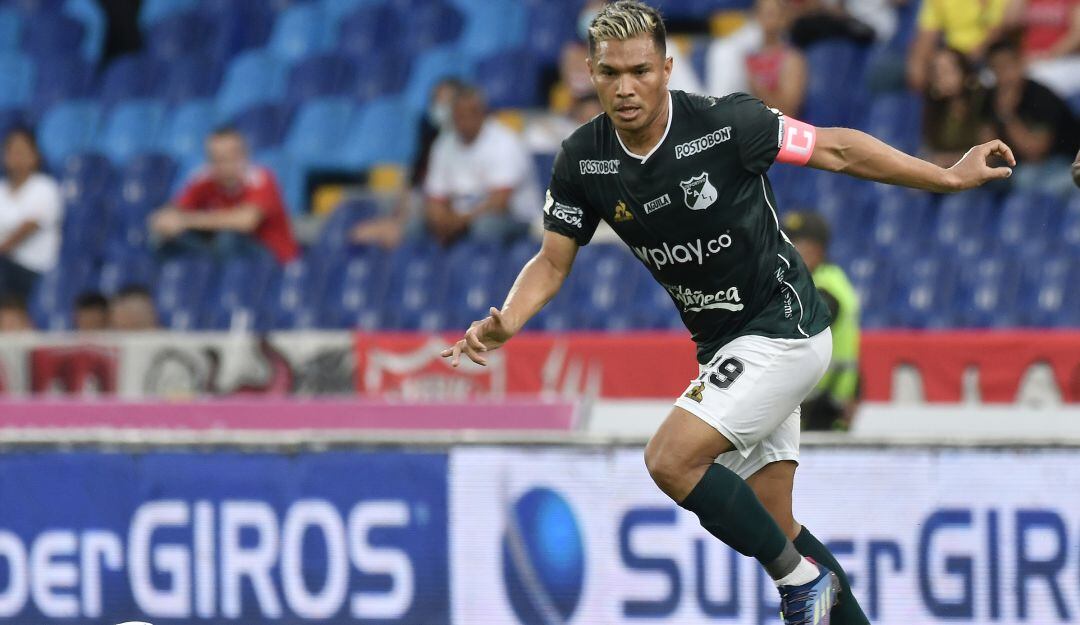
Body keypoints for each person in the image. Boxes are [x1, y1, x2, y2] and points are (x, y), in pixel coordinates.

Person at [441, 2, 1014, 624]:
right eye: (610, 73)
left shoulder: (727, 124)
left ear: (667, 67)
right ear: (590, 73)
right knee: (778, 526)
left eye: (640, 70)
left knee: (670, 459)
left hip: (785, 325)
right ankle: (812, 584)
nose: (625, 87)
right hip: (727, 348)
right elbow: (551, 263)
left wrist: (946, 178)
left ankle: (799, 584)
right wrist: (508, 321)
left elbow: (838, 151)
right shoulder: (584, 160)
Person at [149, 127, 300, 264]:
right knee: (168, 243)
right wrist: (166, 219)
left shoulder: (260, 178)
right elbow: (171, 213)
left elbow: (245, 221)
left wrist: (186, 220)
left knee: (228, 239)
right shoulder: (203, 179)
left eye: (228, 157)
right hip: (224, 254)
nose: (222, 165)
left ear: (244, 155)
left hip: (274, 260)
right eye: (215, 158)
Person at [351, 77, 463, 250]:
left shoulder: (468, 145)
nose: (441, 109)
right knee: (361, 230)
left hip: (446, 214)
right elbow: (410, 187)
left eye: (447, 102)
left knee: (397, 232)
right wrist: (397, 217)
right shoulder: (429, 143)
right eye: (437, 102)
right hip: (421, 210)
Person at [423, 85, 540, 246]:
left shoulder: (505, 141)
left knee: (485, 226)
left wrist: (458, 222)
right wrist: (442, 220)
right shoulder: (443, 144)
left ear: (482, 113)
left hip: (516, 220)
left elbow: (499, 203)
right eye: (458, 115)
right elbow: (435, 198)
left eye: (469, 114)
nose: (463, 121)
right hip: (461, 219)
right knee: (418, 225)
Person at [783, 212, 861, 431]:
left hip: (822, 407)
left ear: (816, 250)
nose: (785, 251)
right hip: (816, 403)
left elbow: (798, 326)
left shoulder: (827, 287)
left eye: (793, 244)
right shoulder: (826, 279)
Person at [981, 38, 1079, 196]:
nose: (1003, 75)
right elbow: (986, 153)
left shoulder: (1041, 96)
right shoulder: (991, 97)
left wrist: (1007, 115)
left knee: (1026, 178)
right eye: (996, 69)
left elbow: (1035, 152)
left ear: (1020, 64)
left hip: (1061, 162)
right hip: (1019, 166)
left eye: (1007, 66)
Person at [705, 0, 808, 117]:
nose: (764, 19)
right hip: (734, 115)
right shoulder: (743, 54)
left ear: (783, 19)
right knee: (720, 50)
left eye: (770, 14)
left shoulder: (791, 58)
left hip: (765, 125)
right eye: (760, 13)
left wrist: (756, 86)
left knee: (723, 51)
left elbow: (788, 112)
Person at [0, 127, 62, 300]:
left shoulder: (44, 187)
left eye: (22, 150)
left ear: (35, 155)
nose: (16, 156)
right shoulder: (1, 189)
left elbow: (26, 229)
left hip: (33, 269)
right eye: (11, 151)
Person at [907, 0, 1010, 92]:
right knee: (938, 65)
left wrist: (979, 48)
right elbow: (927, 34)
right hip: (953, 55)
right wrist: (918, 62)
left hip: (985, 52)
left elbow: (998, 27)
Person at [922, 47, 989, 168]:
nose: (941, 78)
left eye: (947, 70)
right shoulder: (934, 107)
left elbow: (990, 154)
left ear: (964, 72)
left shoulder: (982, 99)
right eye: (936, 72)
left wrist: (952, 160)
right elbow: (932, 150)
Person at [999, 0, 1080, 97]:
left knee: (1039, 80)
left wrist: (1047, 56)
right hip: (1028, 59)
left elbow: (1077, 34)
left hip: (1064, 59)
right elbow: (1009, 23)